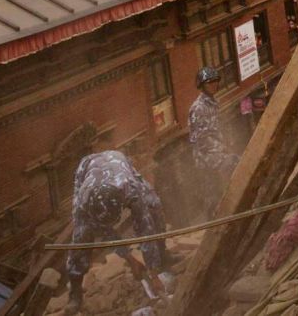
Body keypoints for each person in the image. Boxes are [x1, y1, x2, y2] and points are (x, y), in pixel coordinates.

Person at [66, 150, 171, 314]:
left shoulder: (131, 190)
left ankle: (163, 258)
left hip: (118, 163)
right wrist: (130, 259)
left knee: (154, 206)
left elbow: (146, 230)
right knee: (81, 237)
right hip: (86, 169)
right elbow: (106, 233)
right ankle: (75, 292)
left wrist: (153, 273)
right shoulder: (83, 203)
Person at [188, 67, 239, 214]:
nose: (214, 85)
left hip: (215, 153)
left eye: (215, 81)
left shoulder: (212, 103)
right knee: (213, 196)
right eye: (209, 83)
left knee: (220, 191)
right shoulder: (199, 108)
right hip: (206, 158)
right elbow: (201, 140)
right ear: (202, 85)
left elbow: (215, 130)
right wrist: (222, 150)